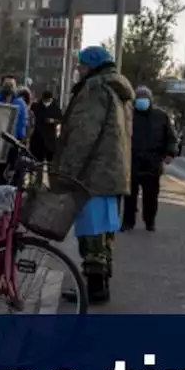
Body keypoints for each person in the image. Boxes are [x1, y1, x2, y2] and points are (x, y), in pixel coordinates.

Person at [53, 45, 134, 303]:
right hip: (111, 173)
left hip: (93, 174)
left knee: (91, 233)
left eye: (81, 64)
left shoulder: (95, 89)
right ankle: (100, 285)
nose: (78, 69)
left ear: (91, 65)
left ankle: (95, 288)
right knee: (103, 232)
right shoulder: (116, 91)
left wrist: (66, 172)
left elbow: (83, 135)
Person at [124, 86, 179, 232]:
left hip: (152, 162)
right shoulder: (128, 115)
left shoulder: (160, 116)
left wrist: (170, 153)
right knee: (129, 195)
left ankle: (150, 221)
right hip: (132, 160)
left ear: (150, 100)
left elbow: (171, 137)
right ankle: (128, 222)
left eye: (145, 99)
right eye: (139, 99)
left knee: (151, 195)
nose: (142, 102)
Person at [0, 74, 30, 183]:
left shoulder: (20, 104)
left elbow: (23, 123)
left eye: (11, 84)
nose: (9, 87)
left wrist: (21, 139)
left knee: (12, 172)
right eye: (6, 84)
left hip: (13, 143)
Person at [29, 90, 63, 162]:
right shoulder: (36, 106)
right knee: (36, 159)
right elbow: (31, 117)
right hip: (38, 136)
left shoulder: (55, 107)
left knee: (50, 160)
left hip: (50, 137)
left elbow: (60, 119)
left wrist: (53, 121)